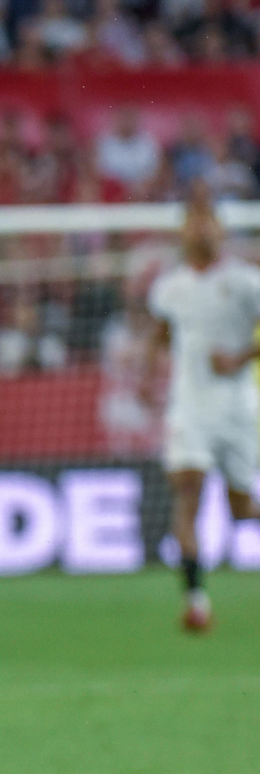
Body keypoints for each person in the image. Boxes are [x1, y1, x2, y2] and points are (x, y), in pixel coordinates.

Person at [147, 199, 260, 632]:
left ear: (221, 231)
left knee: (242, 509)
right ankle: (196, 601)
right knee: (187, 490)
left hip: (236, 409)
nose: (201, 231)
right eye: (194, 223)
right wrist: (145, 374)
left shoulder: (246, 282)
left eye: (208, 223)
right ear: (183, 233)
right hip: (189, 407)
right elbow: (159, 336)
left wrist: (239, 358)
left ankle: (197, 598)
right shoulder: (169, 287)